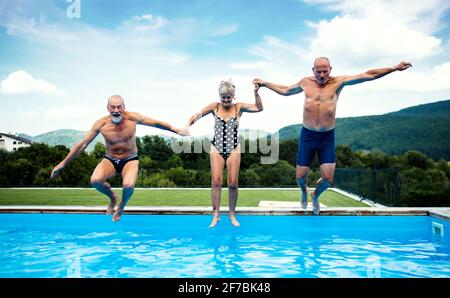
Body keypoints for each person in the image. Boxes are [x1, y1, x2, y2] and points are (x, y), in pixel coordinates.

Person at [253, 58, 411, 215]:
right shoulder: (305, 82)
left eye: (325, 71)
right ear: (313, 70)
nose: (322, 75)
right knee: (300, 178)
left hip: (326, 138)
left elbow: (368, 75)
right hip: (307, 136)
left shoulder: (338, 82)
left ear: (330, 69)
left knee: (328, 180)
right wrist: (265, 84)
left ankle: (315, 195)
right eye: (318, 71)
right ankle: (304, 192)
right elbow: (286, 90)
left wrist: (395, 67)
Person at [50, 95, 189, 221]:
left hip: (130, 159)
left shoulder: (133, 118)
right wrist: (62, 164)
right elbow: (82, 145)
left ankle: (122, 204)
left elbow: (156, 123)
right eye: (113, 107)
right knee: (95, 181)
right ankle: (113, 197)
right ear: (108, 108)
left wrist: (176, 130)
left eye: (119, 107)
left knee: (128, 185)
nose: (116, 110)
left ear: (123, 107)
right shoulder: (101, 124)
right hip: (110, 159)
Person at [186, 80, 263, 228]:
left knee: (233, 183)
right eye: (223, 98)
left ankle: (232, 214)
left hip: (234, 148)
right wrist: (186, 126)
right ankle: (216, 215)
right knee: (216, 181)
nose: (226, 100)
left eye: (228, 97)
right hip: (217, 148)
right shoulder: (214, 107)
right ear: (220, 97)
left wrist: (256, 93)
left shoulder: (238, 107)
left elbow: (259, 108)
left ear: (233, 96)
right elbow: (197, 115)